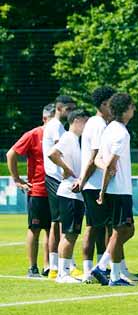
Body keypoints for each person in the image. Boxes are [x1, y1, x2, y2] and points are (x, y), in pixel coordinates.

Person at [91, 93, 136, 287]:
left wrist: (104, 187)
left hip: (114, 189)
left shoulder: (109, 129)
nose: (134, 110)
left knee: (119, 231)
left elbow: (98, 160)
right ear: (125, 109)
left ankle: (115, 276)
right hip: (119, 190)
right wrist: (103, 188)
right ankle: (101, 267)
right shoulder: (121, 133)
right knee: (125, 231)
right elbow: (109, 164)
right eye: (132, 107)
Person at [7, 104, 55, 277]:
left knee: (52, 229)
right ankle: (32, 267)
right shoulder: (33, 134)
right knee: (34, 229)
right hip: (38, 190)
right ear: (44, 119)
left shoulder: (61, 135)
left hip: (56, 190)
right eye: (51, 120)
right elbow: (11, 154)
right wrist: (16, 179)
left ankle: (49, 266)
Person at [77, 86, 116, 283]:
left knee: (101, 227)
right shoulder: (99, 124)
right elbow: (94, 157)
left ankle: (99, 268)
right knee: (93, 227)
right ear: (103, 104)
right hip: (94, 184)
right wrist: (83, 180)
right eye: (111, 103)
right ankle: (87, 271)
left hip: (94, 183)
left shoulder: (94, 122)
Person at [49, 109, 90, 283]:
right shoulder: (68, 137)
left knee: (71, 233)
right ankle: (62, 273)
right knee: (69, 234)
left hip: (74, 193)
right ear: (78, 120)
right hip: (69, 192)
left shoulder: (75, 140)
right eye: (86, 122)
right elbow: (52, 154)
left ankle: (63, 270)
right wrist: (66, 169)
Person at [42, 95, 76, 278]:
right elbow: (57, 151)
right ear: (59, 108)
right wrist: (67, 169)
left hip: (55, 177)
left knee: (58, 221)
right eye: (69, 109)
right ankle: (63, 265)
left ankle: (56, 265)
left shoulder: (57, 127)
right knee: (61, 221)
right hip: (56, 178)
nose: (71, 113)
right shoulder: (56, 127)